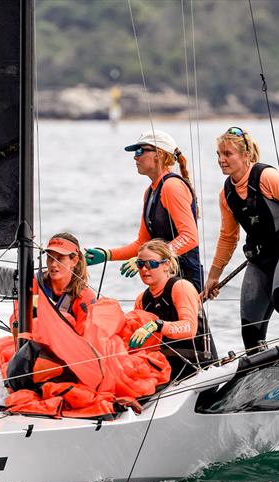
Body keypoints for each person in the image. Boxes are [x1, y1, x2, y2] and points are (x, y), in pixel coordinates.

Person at [201, 126, 279, 353]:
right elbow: (228, 237)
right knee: (249, 331)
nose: (221, 160)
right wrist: (213, 277)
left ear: (246, 155)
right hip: (260, 261)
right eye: (218, 154)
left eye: (227, 154)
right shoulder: (226, 193)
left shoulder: (266, 177)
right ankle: (262, 373)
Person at [85, 130, 204, 292]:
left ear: (159, 154)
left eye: (140, 151)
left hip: (184, 281)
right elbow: (142, 243)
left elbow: (190, 237)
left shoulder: (172, 187)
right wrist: (107, 254)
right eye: (135, 152)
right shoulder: (150, 192)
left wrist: (152, 258)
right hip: (162, 279)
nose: (135, 156)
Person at [128, 239, 215, 378]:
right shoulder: (141, 300)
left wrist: (157, 326)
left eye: (152, 264)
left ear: (166, 265)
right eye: (140, 264)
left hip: (197, 365)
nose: (145, 269)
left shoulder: (181, 287)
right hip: (163, 367)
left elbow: (190, 328)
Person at [11, 232, 96, 337]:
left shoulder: (85, 296)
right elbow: (15, 327)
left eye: (59, 259)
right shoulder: (34, 283)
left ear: (74, 261)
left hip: (67, 350)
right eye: (50, 257)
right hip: (31, 345)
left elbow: (84, 342)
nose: (53, 264)